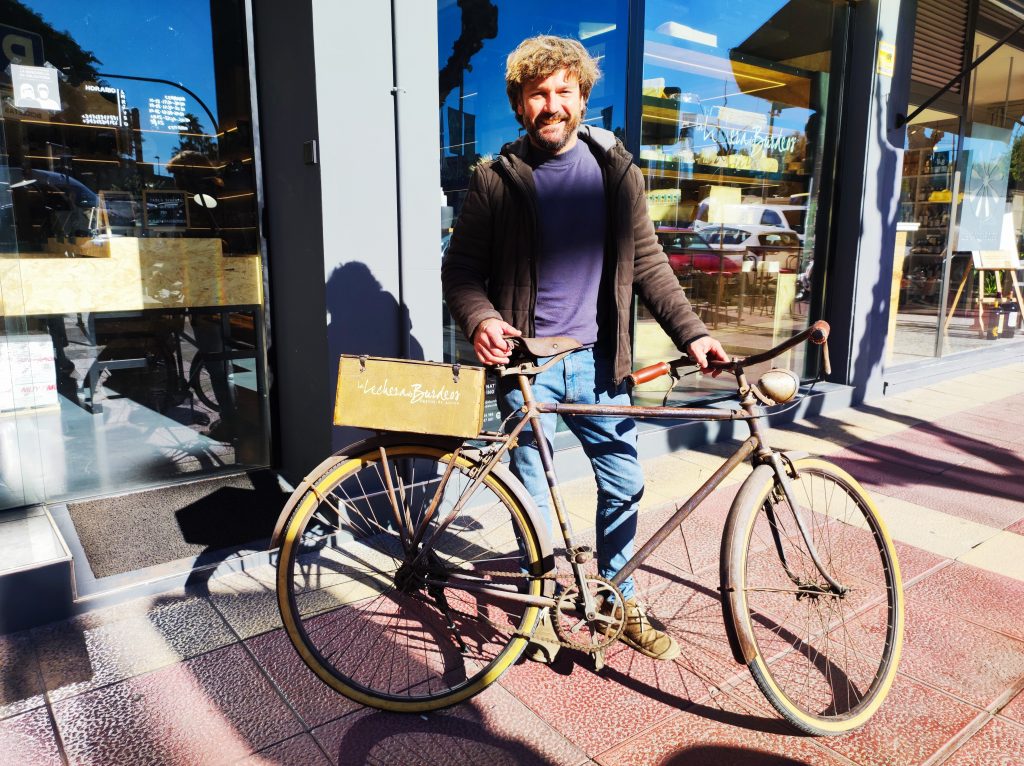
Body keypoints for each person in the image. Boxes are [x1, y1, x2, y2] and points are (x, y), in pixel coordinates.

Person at [441, 35, 728, 663]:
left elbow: (650, 263)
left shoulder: (615, 170)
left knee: (624, 481)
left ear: (581, 98)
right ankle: (539, 611)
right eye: (537, 94)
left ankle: (618, 601)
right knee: (533, 495)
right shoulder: (494, 180)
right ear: (520, 104)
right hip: (526, 367)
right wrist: (482, 320)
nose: (551, 104)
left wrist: (695, 333)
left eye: (563, 92)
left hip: (601, 363)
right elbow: (459, 272)